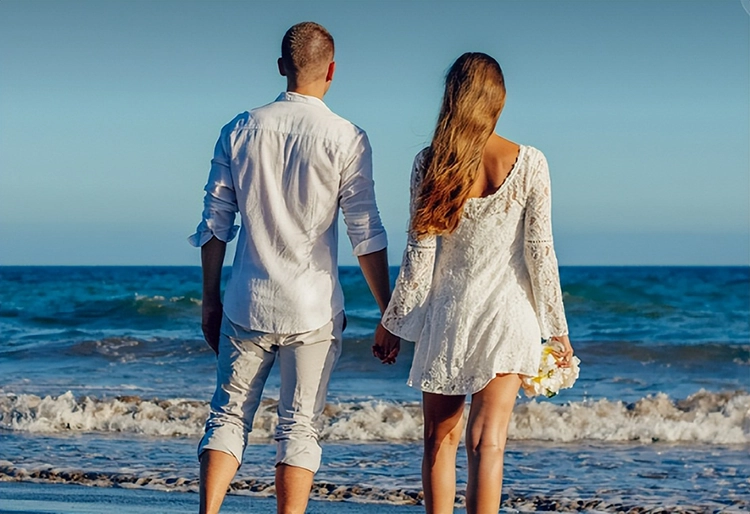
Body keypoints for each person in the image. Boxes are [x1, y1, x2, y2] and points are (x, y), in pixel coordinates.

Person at [189, 22, 399, 514]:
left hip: (246, 300)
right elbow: (364, 230)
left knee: (227, 417)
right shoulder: (348, 137)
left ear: (282, 66)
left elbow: (215, 225)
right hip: (312, 307)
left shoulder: (239, 128)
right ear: (331, 71)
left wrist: (210, 299)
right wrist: (388, 311)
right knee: (299, 425)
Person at [374, 53, 574, 514]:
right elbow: (541, 253)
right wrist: (557, 328)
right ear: (497, 101)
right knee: (488, 445)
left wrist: (393, 323)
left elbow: (419, 256)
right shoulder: (529, 163)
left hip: (450, 318)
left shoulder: (430, 163)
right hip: (509, 317)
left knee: (438, 441)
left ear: (451, 99)